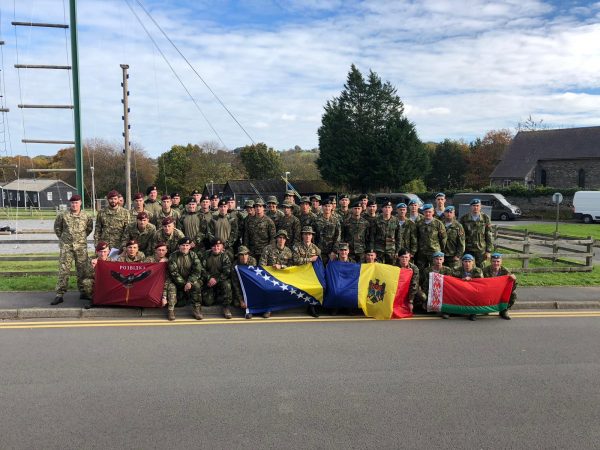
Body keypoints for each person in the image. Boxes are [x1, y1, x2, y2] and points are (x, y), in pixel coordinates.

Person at [52, 194, 94, 305]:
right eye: (72, 203)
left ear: (80, 203)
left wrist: (80, 239)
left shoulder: (86, 216)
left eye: (76, 203)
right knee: (64, 270)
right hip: (67, 247)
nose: (74, 205)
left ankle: (84, 292)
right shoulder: (63, 216)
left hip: (81, 247)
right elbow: (57, 228)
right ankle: (59, 294)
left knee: (82, 270)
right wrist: (64, 239)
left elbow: (89, 229)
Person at [167, 237, 206, 321]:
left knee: (196, 285)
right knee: (171, 287)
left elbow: (197, 270)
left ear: (190, 246)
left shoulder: (193, 255)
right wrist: (185, 284)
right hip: (177, 281)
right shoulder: (173, 256)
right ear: (179, 246)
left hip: (189, 281)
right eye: (183, 245)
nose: (185, 247)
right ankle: (171, 311)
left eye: (187, 245)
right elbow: (174, 273)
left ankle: (197, 310)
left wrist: (189, 282)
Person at [292, 226, 321, 317]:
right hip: (299, 273)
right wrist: (310, 259)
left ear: (312, 236)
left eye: (309, 234)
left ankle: (312, 307)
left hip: (310, 274)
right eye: (305, 234)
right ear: (302, 236)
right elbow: (296, 260)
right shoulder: (297, 246)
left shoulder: (316, 249)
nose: (307, 236)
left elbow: (319, 262)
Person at [203, 238, 233, 319]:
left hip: (220, 280)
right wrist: (209, 278)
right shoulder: (206, 254)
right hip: (209, 281)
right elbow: (201, 269)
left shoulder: (225, 256)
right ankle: (215, 294)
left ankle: (226, 307)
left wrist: (216, 280)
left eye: (218, 246)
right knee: (207, 302)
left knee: (227, 285)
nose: (216, 248)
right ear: (211, 247)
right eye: (214, 246)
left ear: (222, 247)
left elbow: (227, 272)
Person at [460, 198, 494, 268]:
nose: (476, 207)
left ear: (480, 207)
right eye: (474, 205)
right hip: (468, 248)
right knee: (467, 268)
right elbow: (461, 235)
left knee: (481, 268)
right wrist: (460, 250)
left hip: (481, 249)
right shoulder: (464, 218)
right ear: (470, 207)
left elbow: (489, 235)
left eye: (477, 206)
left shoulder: (485, 218)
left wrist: (488, 251)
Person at [483, 252, 517, 320]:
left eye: (498, 261)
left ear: (501, 262)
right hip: (488, 292)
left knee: (513, 294)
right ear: (490, 262)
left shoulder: (505, 271)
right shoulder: (485, 270)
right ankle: (484, 309)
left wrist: (514, 280)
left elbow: (512, 287)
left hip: (500, 292)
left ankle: (504, 310)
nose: (496, 263)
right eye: (494, 261)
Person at [451, 253, 483, 321]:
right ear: (462, 262)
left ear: (473, 262)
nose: (467, 264)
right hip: (461, 291)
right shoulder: (457, 270)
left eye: (469, 261)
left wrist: (471, 279)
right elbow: (451, 280)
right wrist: (461, 280)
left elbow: (481, 282)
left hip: (473, 291)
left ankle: (473, 313)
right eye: (465, 261)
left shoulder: (478, 270)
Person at [415, 204, 447, 270]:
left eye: (429, 212)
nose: (428, 213)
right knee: (421, 269)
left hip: (434, 251)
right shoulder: (419, 223)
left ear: (433, 212)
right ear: (423, 212)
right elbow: (417, 236)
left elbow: (443, 238)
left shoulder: (438, 223)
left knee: (435, 269)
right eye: (426, 212)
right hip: (422, 252)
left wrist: (441, 249)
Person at [80, 241, 113, 307]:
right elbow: (86, 275)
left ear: (108, 252)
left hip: (108, 283)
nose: (102, 254)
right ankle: (93, 300)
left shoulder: (113, 261)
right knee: (86, 282)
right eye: (100, 251)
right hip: (97, 281)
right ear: (97, 252)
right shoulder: (91, 260)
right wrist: (93, 267)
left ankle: (110, 300)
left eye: (105, 251)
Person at [231, 246, 258, 319]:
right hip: (241, 286)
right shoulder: (235, 265)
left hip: (251, 286)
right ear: (238, 256)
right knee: (237, 303)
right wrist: (241, 300)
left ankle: (252, 311)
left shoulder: (252, 261)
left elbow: (253, 280)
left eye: (246, 254)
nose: (244, 257)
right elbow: (235, 284)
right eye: (241, 255)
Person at [314, 199, 341, 264]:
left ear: (332, 207)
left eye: (329, 206)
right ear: (322, 207)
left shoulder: (336, 221)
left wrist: (334, 251)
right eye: (325, 206)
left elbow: (338, 236)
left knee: (331, 271)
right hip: (319, 251)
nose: (327, 208)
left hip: (331, 252)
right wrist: (315, 250)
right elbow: (313, 237)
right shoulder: (316, 220)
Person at [397, 248, 423, 313]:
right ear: (398, 257)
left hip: (410, 289)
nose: (404, 259)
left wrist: (410, 301)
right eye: (402, 257)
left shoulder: (414, 268)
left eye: (406, 257)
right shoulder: (394, 267)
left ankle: (419, 307)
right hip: (398, 290)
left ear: (409, 258)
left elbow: (414, 284)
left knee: (422, 296)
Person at [442, 206, 465, 270]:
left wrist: (458, 255)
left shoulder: (458, 226)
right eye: (447, 212)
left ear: (454, 214)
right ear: (444, 213)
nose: (449, 214)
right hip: (442, 255)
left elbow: (462, 243)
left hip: (453, 256)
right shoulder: (440, 224)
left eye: (450, 212)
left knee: (454, 273)